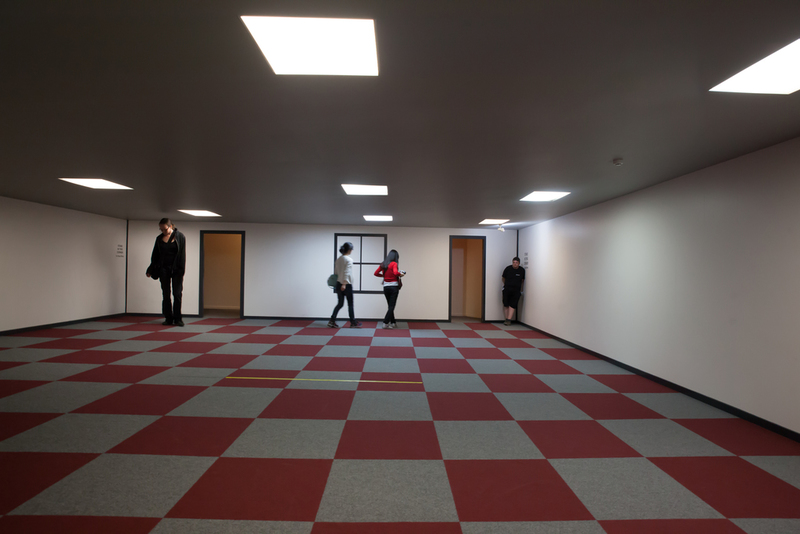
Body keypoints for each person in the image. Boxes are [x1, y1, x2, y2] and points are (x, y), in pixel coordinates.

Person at [146, 218, 186, 326]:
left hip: (177, 269)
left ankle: (178, 319)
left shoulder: (180, 237)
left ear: (170, 226)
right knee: (166, 294)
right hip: (163, 269)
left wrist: (181, 270)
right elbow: (155, 256)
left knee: (177, 294)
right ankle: (168, 318)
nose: (163, 231)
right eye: (161, 230)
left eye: (165, 229)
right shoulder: (159, 239)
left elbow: (182, 255)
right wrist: (150, 269)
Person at [328, 242, 362, 328]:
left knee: (340, 303)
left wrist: (340, 283)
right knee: (350, 304)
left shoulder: (338, 259)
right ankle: (353, 322)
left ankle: (332, 321)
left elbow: (336, 272)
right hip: (346, 284)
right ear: (349, 250)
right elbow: (347, 272)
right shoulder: (349, 260)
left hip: (338, 283)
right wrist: (344, 284)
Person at [374, 249, 405, 329]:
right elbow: (395, 273)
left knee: (390, 306)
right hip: (394, 287)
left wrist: (384, 276)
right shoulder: (394, 263)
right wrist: (401, 274)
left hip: (386, 287)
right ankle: (385, 322)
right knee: (392, 306)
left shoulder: (384, 264)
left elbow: (376, 273)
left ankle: (393, 322)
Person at [502, 256, 525, 326]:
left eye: (516, 263)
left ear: (519, 263)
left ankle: (509, 319)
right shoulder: (508, 269)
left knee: (513, 304)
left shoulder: (521, 270)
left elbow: (522, 280)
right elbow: (503, 278)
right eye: (514, 262)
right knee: (506, 304)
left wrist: (521, 289)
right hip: (507, 289)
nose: (515, 264)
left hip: (516, 290)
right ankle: (506, 318)